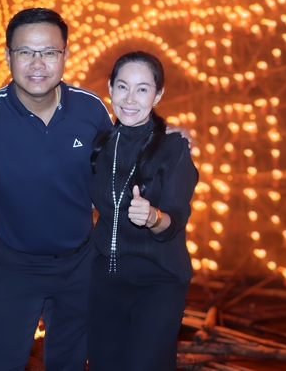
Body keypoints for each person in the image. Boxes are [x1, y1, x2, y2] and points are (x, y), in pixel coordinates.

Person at [0, 8, 113, 370]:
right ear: (8, 56)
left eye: (49, 52)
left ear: (65, 55)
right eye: (26, 52)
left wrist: (162, 139)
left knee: (70, 363)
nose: (37, 63)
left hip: (80, 265)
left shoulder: (91, 110)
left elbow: (117, 172)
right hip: (15, 268)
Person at [86, 51, 198, 371]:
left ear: (157, 95)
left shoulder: (173, 148)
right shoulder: (98, 146)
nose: (130, 99)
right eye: (123, 87)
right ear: (110, 88)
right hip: (104, 277)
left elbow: (176, 217)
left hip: (158, 280)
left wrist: (153, 218)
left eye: (143, 89)